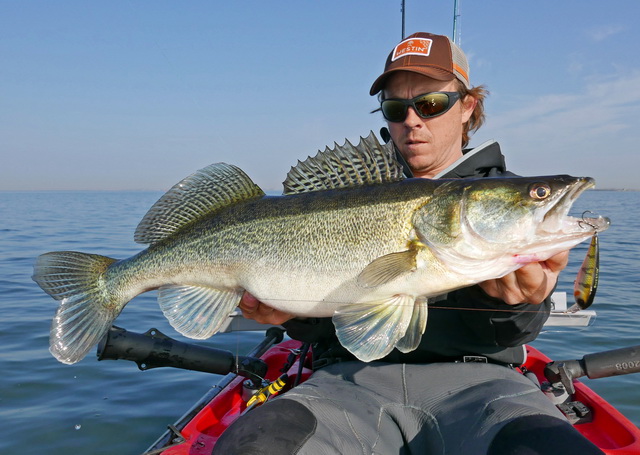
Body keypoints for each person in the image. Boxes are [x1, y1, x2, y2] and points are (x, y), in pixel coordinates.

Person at [214, 32, 604, 454]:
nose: (412, 121)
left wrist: (519, 304)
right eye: (396, 108)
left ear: (468, 107)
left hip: (482, 388)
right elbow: (329, 322)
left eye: (431, 104)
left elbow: (511, 332)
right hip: (346, 385)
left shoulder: (505, 199)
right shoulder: (344, 195)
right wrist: (287, 313)